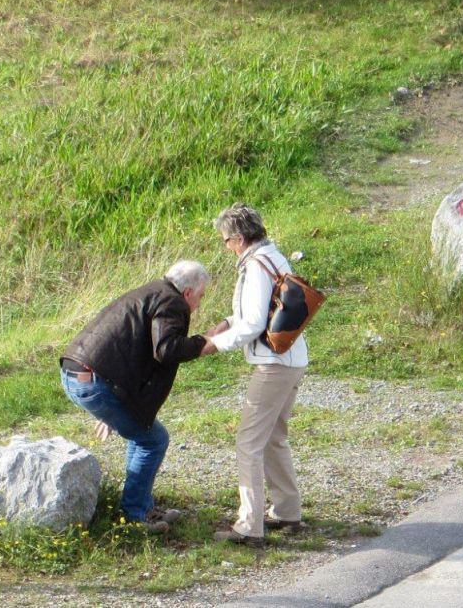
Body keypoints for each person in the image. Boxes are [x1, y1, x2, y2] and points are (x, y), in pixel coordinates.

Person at [60, 260, 211, 534]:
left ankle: (140, 505)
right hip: (95, 380)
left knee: (142, 432)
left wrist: (113, 403)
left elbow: (132, 347)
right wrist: (206, 343)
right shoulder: (172, 303)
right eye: (200, 296)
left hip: (77, 371)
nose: (199, 304)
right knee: (154, 440)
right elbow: (166, 350)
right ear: (188, 292)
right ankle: (135, 516)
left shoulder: (152, 291)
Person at [202, 203, 308, 547]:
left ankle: (249, 526)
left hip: (273, 364)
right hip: (293, 358)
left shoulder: (255, 265)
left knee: (249, 442)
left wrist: (215, 344)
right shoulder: (274, 257)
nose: (226, 247)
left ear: (240, 237)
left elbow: (254, 323)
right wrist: (227, 323)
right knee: (275, 435)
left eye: (226, 240)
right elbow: (270, 310)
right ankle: (288, 512)